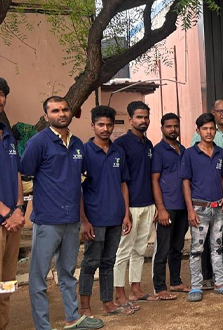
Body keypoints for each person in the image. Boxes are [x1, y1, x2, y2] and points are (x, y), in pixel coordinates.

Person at [22, 96, 103, 330]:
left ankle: (72, 318)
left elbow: (79, 182)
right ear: (46, 116)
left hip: (71, 221)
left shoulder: (77, 144)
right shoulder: (38, 143)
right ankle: (43, 326)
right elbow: (25, 179)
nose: (62, 113)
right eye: (55, 110)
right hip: (47, 221)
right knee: (38, 278)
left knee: (67, 272)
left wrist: (83, 219)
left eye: (65, 109)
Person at [79, 106, 134, 316]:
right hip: (94, 218)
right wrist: (84, 220)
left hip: (115, 217)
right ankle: (85, 306)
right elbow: (78, 188)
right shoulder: (84, 152)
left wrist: (126, 213)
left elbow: (123, 184)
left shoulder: (118, 151)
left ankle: (108, 302)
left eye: (109, 125)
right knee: (90, 262)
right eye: (100, 124)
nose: (105, 128)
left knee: (108, 261)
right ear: (92, 125)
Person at [180, 113, 223, 302]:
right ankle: (196, 286)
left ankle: (220, 283)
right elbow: (185, 183)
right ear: (198, 131)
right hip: (199, 208)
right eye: (204, 129)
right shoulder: (190, 153)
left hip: (218, 207)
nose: (208, 132)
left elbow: (220, 178)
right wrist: (190, 209)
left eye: (211, 128)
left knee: (218, 247)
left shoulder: (219, 152)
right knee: (197, 249)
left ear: (215, 131)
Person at [113, 101, 159, 303]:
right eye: (139, 117)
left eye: (146, 117)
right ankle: (119, 293)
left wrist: (155, 205)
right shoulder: (120, 145)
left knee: (140, 249)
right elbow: (119, 180)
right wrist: (124, 211)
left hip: (148, 204)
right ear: (130, 119)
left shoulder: (148, 144)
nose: (143, 120)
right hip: (129, 206)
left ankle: (136, 289)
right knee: (123, 250)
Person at [192, 100, 223, 289]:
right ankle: (202, 280)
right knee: (200, 244)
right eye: (220, 111)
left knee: (221, 241)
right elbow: (189, 176)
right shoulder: (195, 147)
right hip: (201, 200)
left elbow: (221, 174)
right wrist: (190, 207)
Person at [151, 113, 190, 299]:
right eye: (168, 126)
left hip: (183, 206)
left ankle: (175, 282)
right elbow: (154, 180)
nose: (173, 129)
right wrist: (161, 208)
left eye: (175, 126)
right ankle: (160, 287)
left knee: (177, 247)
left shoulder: (183, 150)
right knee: (163, 248)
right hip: (167, 206)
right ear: (162, 128)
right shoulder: (158, 151)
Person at [0, 78, 26, 330]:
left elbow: (17, 173)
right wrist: (6, 212)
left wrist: (18, 208)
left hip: (12, 223)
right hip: (4, 219)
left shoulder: (8, 136)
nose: (0, 99)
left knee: (6, 281)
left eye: (2, 94)